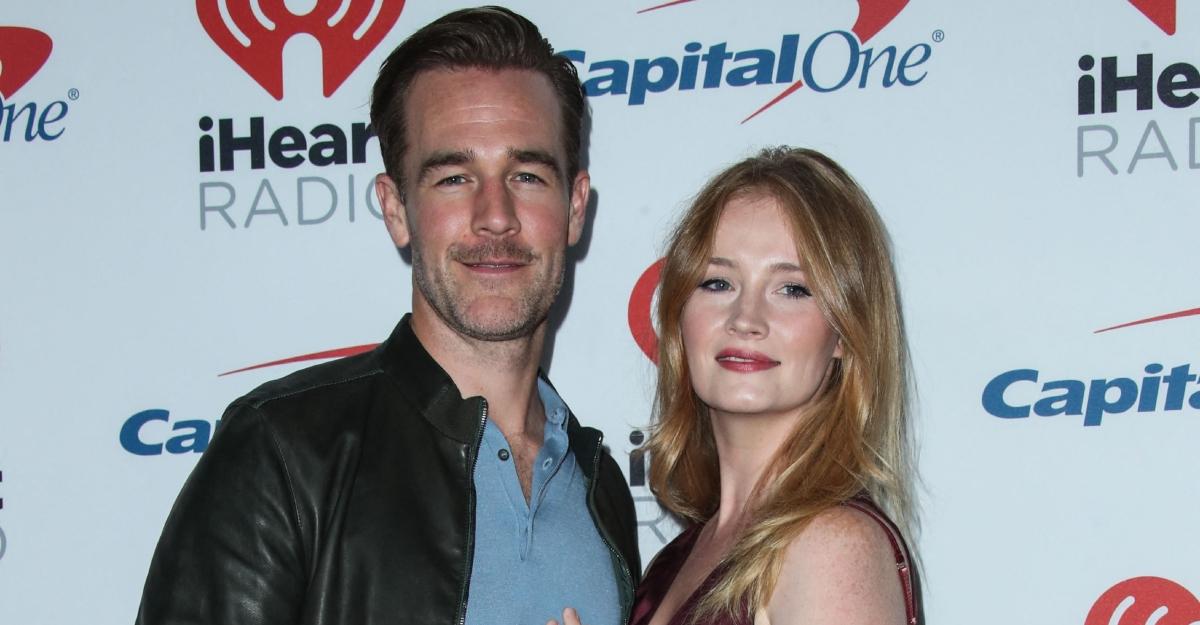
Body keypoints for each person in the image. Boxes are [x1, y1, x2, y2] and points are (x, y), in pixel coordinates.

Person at [136, 7, 639, 625]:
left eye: (527, 175)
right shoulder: (283, 456)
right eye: (454, 177)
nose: (496, 216)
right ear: (396, 208)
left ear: (576, 207)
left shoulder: (599, 488)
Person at [632, 147, 922, 625]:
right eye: (717, 283)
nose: (746, 319)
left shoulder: (832, 546)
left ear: (845, 334)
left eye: (792, 289)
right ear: (679, 314)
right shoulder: (676, 560)